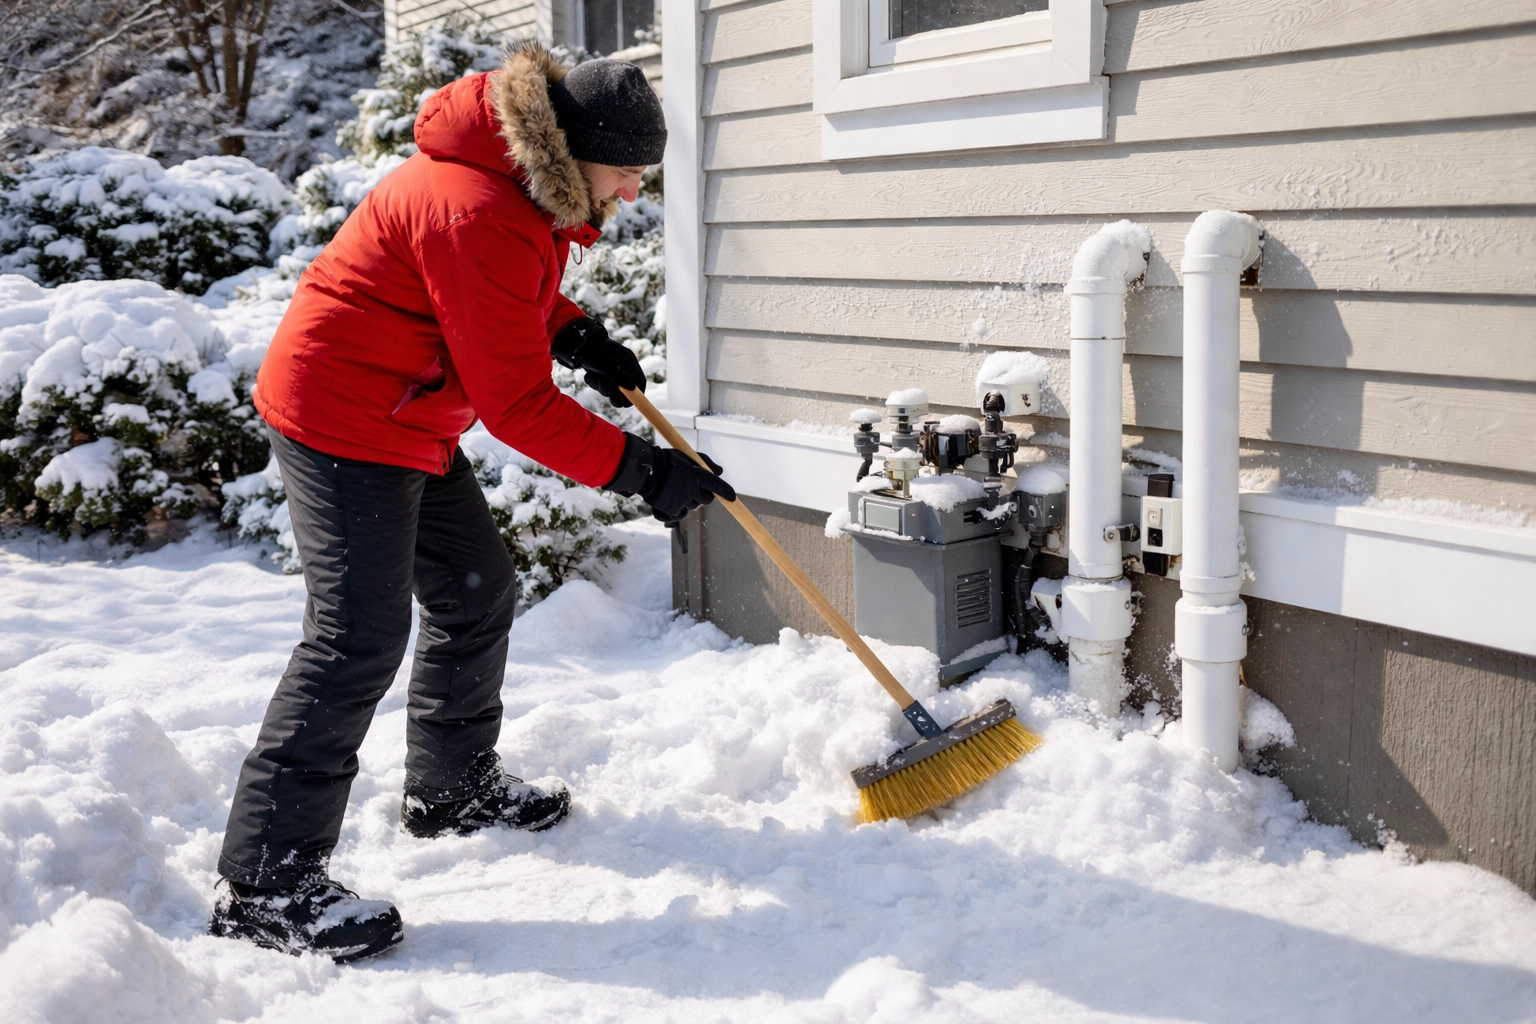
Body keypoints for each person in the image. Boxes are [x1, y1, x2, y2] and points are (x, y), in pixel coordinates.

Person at [207, 44, 734, 963]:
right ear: (575, 153)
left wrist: (575, 332)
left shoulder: (513, 185)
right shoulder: (478, 206)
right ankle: (265, 881)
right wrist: (643, 473)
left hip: (403, 408)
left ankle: (449, 790)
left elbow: (495, 297)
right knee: (356, 635)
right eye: (627, 173)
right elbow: (516, 406)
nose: (632, 194)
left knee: (475, 583)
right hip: (346, 414)